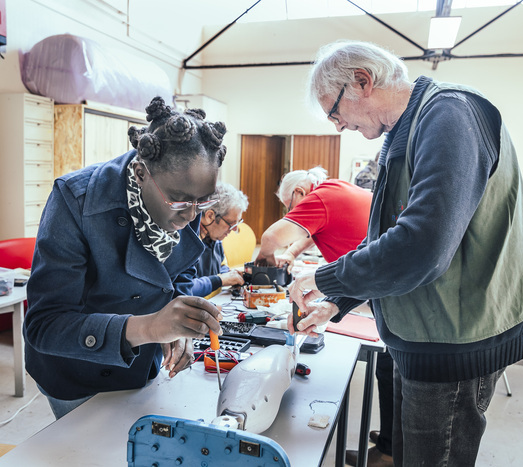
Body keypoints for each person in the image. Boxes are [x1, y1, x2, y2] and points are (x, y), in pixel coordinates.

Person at [288, 41, 523, 467]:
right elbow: (387, 234)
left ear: (362, 82)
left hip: (456, 340)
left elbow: (422, 246)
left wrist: (325, 278)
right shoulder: (406, 130)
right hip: (426, 335)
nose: (337, 127)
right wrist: (341, 299)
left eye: (334, 112)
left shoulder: (449, 115)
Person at [24, 97, 227, 419]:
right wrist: (149, 328)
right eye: (179, 202)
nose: (191, 216)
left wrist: (179, 322)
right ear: (140, 173)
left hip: (140, 364)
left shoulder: (187, 197)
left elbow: (178, 275)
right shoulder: (75, 200)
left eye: (203, 203)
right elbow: (44, 326)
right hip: (77, 372)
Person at [254, 166, 372, 269]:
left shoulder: (318, 198)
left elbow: (270, 237)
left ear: (299, 192)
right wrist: (291, 253)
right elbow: (313, 231)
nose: (293, 212)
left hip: (368, 276)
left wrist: (265, 256)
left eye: (291, 207)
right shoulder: (335, 186)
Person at [190, 181, 248, 298]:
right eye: (230, 224)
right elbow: (184, 288)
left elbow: (220, 266)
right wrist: (220, 280)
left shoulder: (215, 239)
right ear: (209, 216)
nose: (234, 229)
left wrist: (230, 275)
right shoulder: (186, 242)